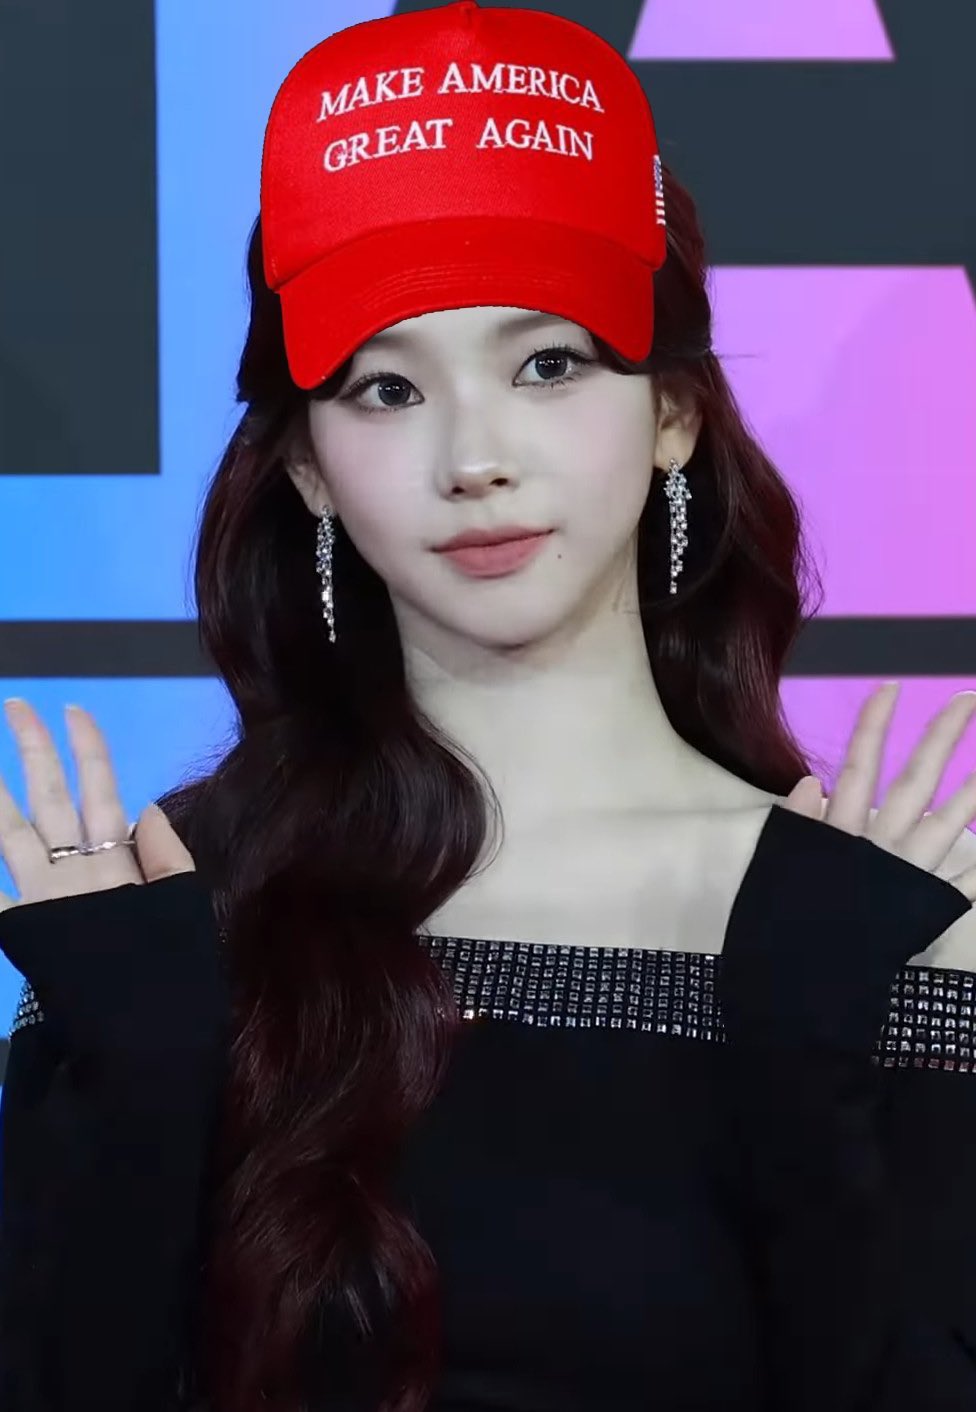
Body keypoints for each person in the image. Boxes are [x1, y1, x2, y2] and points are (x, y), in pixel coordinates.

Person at [2, 1, 976, 1409]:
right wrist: (142, 1089)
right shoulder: (172, 912)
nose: (473, 457)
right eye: (386, 388)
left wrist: (806, 1057)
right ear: (310, 467)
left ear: (673, 412)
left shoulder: (880, 926)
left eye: (547, 364)